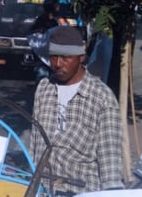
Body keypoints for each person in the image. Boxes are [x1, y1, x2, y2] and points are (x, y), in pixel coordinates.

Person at [29, 26, 123, 195]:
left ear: (81, 57)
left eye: (66, 58)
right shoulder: (44, 88)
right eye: (53, 57)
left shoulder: (101, 97)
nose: (57, 64)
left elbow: (110, 163)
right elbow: (35, 146)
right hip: (43, 188)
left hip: (81, 190)